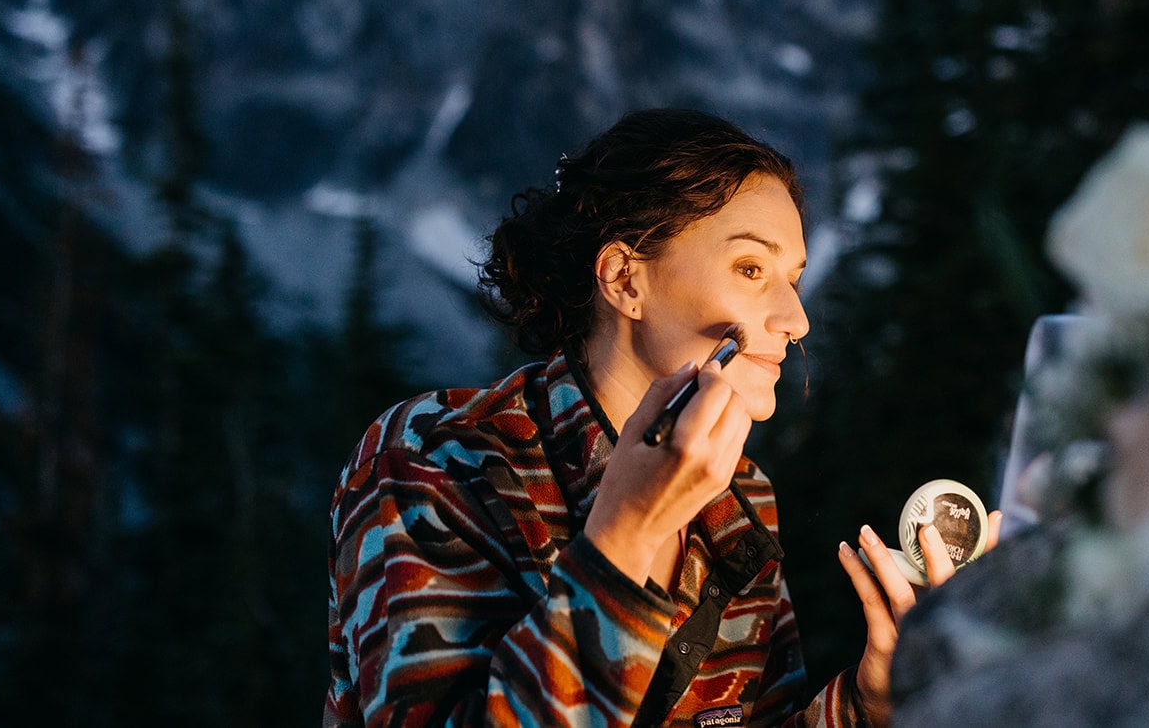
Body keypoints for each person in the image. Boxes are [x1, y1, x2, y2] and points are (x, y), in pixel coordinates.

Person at [324, 108, 996, 727]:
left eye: (793, 277)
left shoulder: (740, 501)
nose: (796, 320)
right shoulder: (438, 455)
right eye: (751, 266)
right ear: (623, 279)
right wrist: (625, 535)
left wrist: (866, 701)